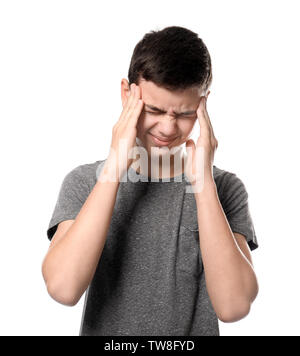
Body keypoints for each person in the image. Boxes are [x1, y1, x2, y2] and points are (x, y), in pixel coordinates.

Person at [42, 26, 259, 336]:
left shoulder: (225, 188)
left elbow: (234, 306)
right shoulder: (85, 182)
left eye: (184, 113)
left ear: (203, 105)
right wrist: (116, 166)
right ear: (127, 94)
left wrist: (204, 186)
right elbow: (63, 288)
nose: (168, 127)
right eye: (154, 109)